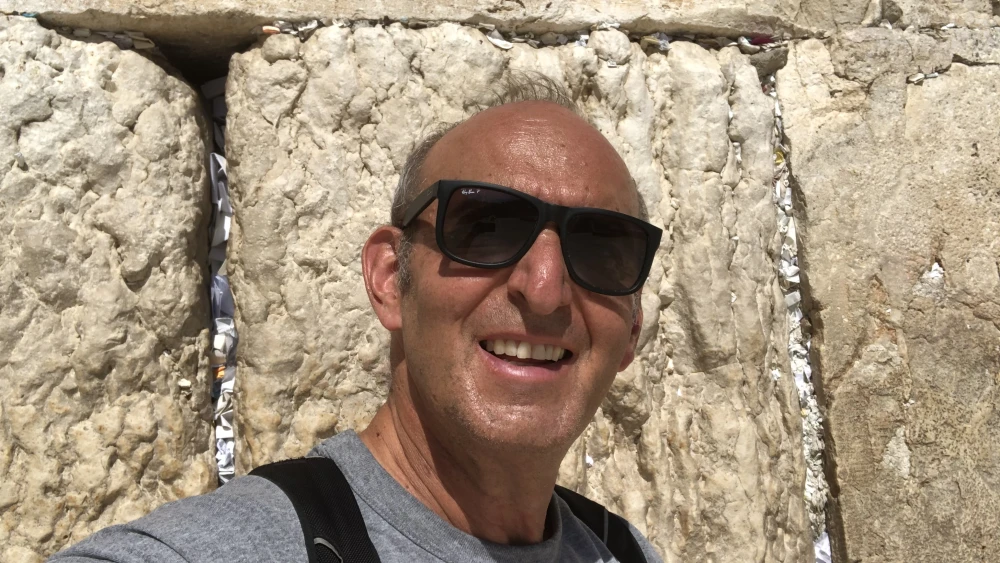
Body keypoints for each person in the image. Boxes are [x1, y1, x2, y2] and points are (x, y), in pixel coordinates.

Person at [51, 73, 664, 563]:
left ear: (631, 329)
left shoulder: (627, 552)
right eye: (486, 228)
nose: (546, 289)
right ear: (389, 280)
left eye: (601, 247)